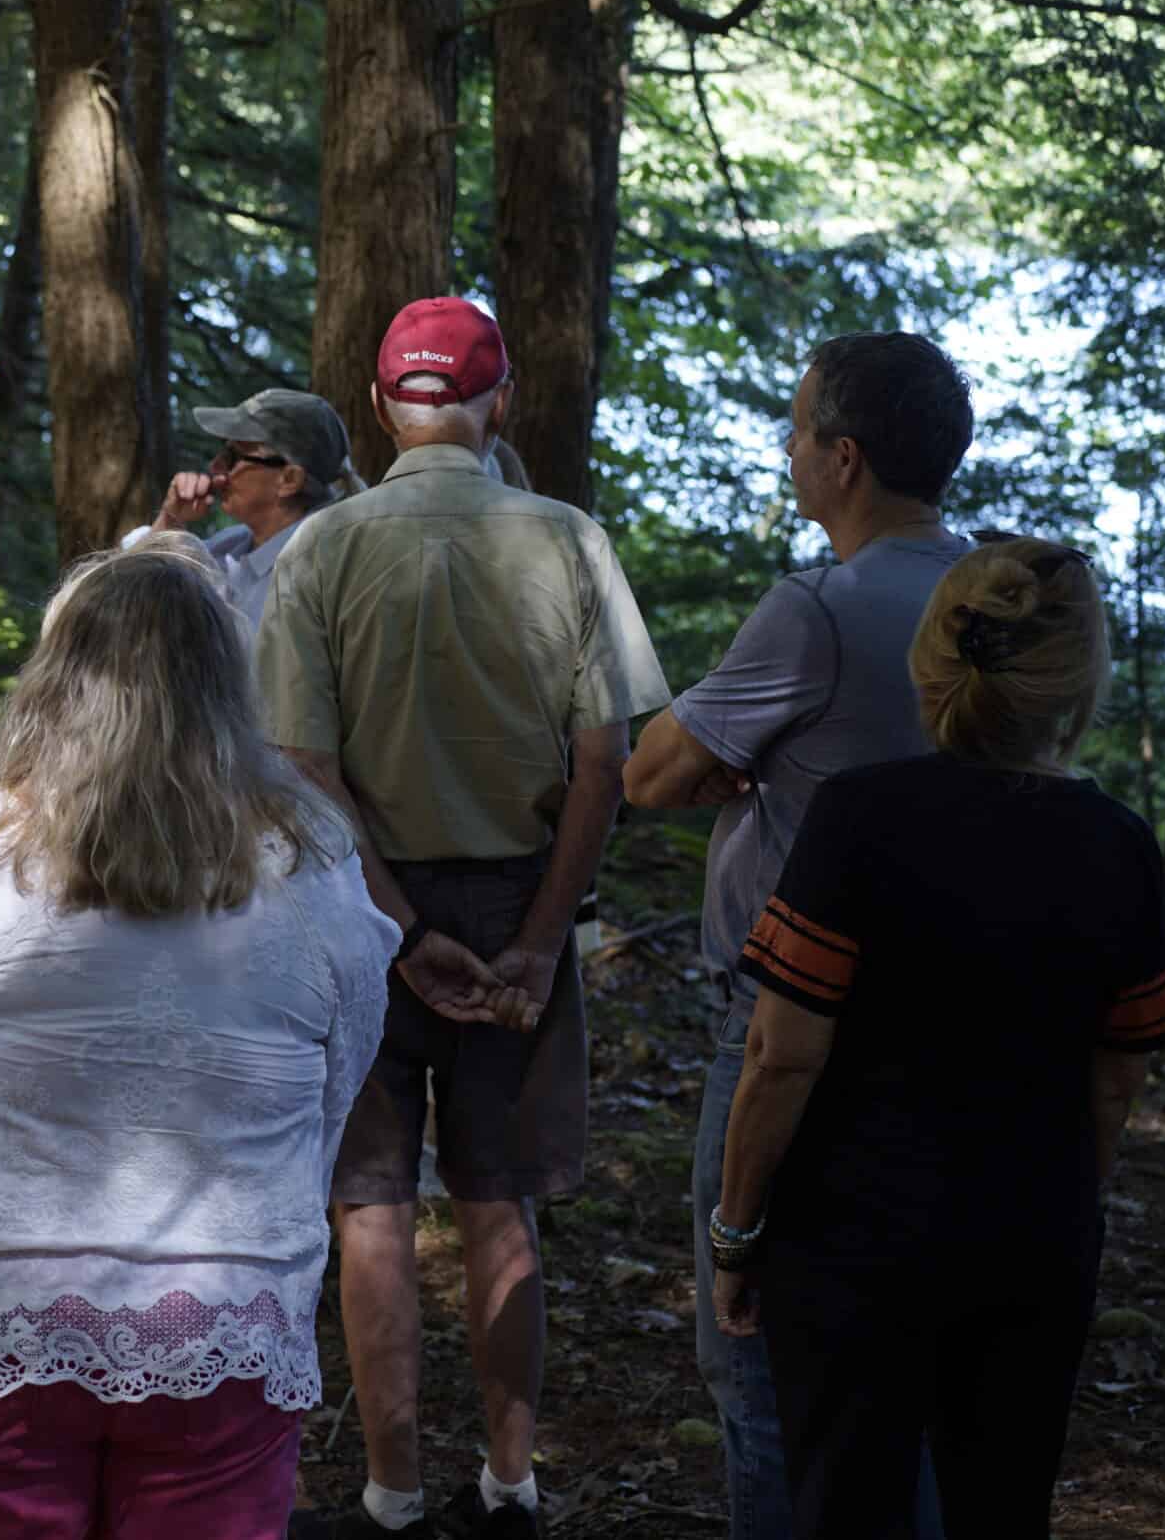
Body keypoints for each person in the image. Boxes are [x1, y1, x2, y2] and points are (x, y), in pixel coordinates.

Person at [0, 538, 396, 1540]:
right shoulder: (314, 858)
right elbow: (341, 1069)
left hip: (6, 1293)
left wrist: (2, 1148)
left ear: (51, 681)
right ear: (229, 691)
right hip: (228, 1301)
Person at [265, 297, 671, 1540]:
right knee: (500, 1200)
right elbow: (606, 763)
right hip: (516, 897)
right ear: (497, 404)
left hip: (356, 900)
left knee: (372, 1207)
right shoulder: (566, 539)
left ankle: (391, 1495)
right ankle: (510, 1486)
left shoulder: (320, 549)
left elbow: (301, 763)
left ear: (386, 405)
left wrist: (391, 919)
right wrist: (542, 940)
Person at [709, 538, 1165, 1540]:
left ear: (934, 660)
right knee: (999, 1512)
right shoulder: (1121, 847)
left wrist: (736, 1229)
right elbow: (1114, 1084)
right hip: (1032, 1245)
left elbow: (780, 1057)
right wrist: (1066, 1212)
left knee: (846, 1510)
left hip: (848, 1246)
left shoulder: (858, 817)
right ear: (1077, 682)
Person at [621, 331, 974, 1540]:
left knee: (752, 1354)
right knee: (912, 1366)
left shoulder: (817, 607)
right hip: (958, 1037)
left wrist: (738, 757)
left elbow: (656, 773)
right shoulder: (997, 597)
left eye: (792, 430)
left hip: (787, 1028)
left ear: (843, 457)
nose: (780, 452)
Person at [122, 388, 363, 633]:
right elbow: (123, 590)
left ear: (289, 479)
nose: (215, 466)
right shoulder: (230, 545)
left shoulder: (316, 575)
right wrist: (169, 522)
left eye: (232, 457)